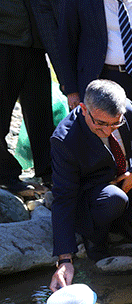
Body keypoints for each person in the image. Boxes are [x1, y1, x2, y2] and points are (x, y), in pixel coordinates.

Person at [49, 80, 132, 291]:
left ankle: (125, 224)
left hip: (127, 178)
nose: (108, 131)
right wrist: (64, 260)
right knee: (114, 199)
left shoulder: (127, 109)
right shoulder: (65, 140)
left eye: (115, 124)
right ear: (83, 109)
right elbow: (63, 197)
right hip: (95, 195)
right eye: (100, 124)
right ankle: (96, 239)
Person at [58, 0, 132, 126]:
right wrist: (72, 90)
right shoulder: (82, 3)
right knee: (101, 133)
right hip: (102, 79)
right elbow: (67, 43)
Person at [0, 0, 56, 193]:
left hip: (36, 48)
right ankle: (7, 176)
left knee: (41, 116)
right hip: (5, 44)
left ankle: (50, 174)